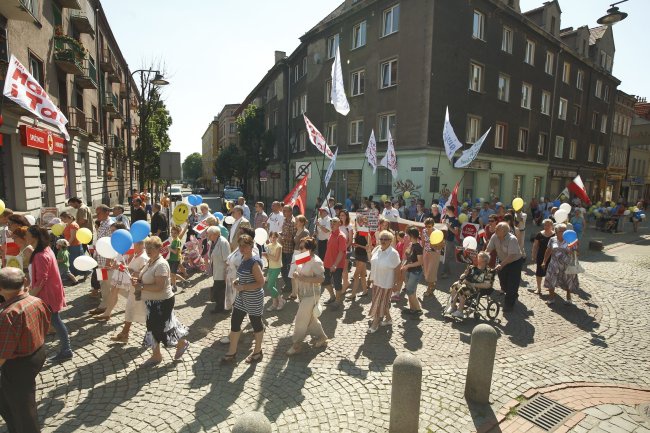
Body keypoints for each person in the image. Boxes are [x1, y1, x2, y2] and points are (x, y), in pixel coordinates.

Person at [0, 268, 51, 433]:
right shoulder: (36, 300)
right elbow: (46, 326)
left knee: (23, 409)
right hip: (37, 352)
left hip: (18, 365)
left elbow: (3, 353)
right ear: (24, 282)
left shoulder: (9, 314)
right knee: (8, 400)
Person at [134, 236, 190, 367]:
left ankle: (181, 344)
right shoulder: (150, 261)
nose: (148, 250)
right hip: (151, 301)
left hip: (162, 302)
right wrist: (137, 280)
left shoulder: (162, 265)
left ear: (159, 249)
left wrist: (141, 286)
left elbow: (159, 287)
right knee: (153, 327)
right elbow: (145, 278)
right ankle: (156, 355)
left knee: (163, 328)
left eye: (151, 248)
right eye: (146, 247)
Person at [25, 225, 72, 362]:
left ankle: (66, 350)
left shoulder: (41, 255)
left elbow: (41, 281)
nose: (26, 237)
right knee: (52, 321)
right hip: (50, 292)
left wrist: (29, 297)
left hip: (48, 294)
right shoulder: (45, 250)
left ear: (34, 237)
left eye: (28, 235)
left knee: (55, 321)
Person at [221, 235, 266, 364]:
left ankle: (257, 351)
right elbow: (244, 275)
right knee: (235, 321)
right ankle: (232, 352)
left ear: (251, 246)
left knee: (256, 323)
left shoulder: (254, 262)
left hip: (253, 297)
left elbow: (261, 282)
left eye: (245, 246)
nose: (242, 248)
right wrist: (238, 281)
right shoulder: (243, 258)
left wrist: (243, 286)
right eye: (240, 245)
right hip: (242, 297)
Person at [287, 237, 329, 355]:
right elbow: (296, 269)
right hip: (302, 293)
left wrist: (304, 278)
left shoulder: (316, 261)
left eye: (301, 248)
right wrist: (296, 274)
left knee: (300, 318)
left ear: (309, 249)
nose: (299, 250)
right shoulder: (302, 257)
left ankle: (296, 344)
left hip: (312, 294)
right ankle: (322, 337)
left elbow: (321, 278)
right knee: (310, 319)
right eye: (299, 247)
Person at [110, 240, 149, 343]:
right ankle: (125, 334)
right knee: (130, 309)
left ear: (141, 245)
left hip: (141, 290)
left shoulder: (143, 258)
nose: (132, 247)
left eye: (134, 244)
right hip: (134, 288)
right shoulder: (137, 255)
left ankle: (152, 335)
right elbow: (132, 269)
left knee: (146, 312)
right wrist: (122, 267)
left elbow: (141, 274)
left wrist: (127, 270)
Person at [485, 222, 524, 312]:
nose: (495, 230)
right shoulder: (494, 236)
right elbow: (488, 249)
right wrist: (483, 257)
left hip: (515, 262)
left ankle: (509, 304)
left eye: (498, 229)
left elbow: (511, 256)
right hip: (503, 260)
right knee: (502, 279)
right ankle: (512, 293)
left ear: (505, 231)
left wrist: (501, 265)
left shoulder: (512, 239)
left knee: (512, 282)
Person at [367, 230, 401, 333]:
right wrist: (370, 277)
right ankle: (389, 319)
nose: (383, 241)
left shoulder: (393, 253)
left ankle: (375, 323)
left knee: (379, 303)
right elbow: (372, 262)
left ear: (390, 241)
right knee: (383, 303)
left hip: (386, 282)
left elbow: (397, 269)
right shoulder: (377, 249)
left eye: (385, 239)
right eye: (381, 239)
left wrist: (396, 284)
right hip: (376, 280)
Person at [446, 252, 495, 318]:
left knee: (462, 289)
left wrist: (472, 284)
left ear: (484, 261)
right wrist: (463, 275)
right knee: (455, 285)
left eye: (478, 258)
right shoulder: (472, 267)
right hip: (466, 284)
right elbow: (463, 275)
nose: (475, 259)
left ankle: (460, 311)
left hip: (477, 288)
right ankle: (453, 307)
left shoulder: (489, 271)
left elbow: (487, 285)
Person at [542, 224, 579, 305]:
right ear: (556, 232)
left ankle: (568, 297)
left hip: (567, 264)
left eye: (564, 230)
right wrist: (544, 261)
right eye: (561, 231)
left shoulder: (571, 240)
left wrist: (572, 251)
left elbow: (577, 252)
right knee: (551, 279)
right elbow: (548, 250)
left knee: (568, 281)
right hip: (554, 263)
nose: (563, 232)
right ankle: (551, 298)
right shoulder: (552, 239)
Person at [322, 217, 347, 309]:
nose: (332, 224)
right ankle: (332, 297)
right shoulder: (331, 234)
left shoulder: (341, 236)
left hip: (337, 265)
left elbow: (341, 252)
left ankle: (337, 301)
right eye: (331, 222)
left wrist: (335, 264)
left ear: (339, 224)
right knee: (325, 281)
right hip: (327, 263)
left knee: (337, 283)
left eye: (334, 222)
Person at [401, 227, 424, 317]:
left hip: (415, 272)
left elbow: (420, 262)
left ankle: (418, 310)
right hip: (409, 271)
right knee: (411, 291)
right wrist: (404, 264)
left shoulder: (418, 247)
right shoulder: (411, 244)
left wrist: (408, 266)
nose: (406, 236)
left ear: (412, 235)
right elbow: (408, 256)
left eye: (407, 234)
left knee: (410, 291)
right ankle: (412, 309)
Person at [529, 219, 555, 295]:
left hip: (551, 256)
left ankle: (549, 286)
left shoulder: (554, 235)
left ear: (552, 226)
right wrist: (533, 255)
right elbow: (535, 246)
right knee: (539, 271)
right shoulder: (539, 234)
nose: (546, 226)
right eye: (545, 225)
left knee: (550, 272)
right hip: (541, 255)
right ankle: (539, 288)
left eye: (548, 225)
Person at [288, 215, 310, 300]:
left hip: (302, 254)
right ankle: (294, 293)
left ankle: (301, 294)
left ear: (302, 222)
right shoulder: (297, 230)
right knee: (292, 274)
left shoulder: (305, 232)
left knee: (299, 274)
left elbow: (307, 246)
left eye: (297, 221)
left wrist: (303, 256)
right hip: (296, 253)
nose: (295, 222)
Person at [348, 215, 369, 300]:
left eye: (360, 221)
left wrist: (358, 245)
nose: (358, 223)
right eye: (357, 221)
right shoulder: (358, 231)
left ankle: (353, 294)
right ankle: (365, 291)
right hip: (357, 254)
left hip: (362, 255)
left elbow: (368, 246)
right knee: (362, 275)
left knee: (356, 275)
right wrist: (355, 244)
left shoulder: (363, 230)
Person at [421, 218, 442, 296]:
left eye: (429, 226)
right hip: (426, 252)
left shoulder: (437, 232)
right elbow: (423, 242)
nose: (427, 228)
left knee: (431, 271)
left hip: (434, 253)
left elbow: (441, 245)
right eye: (426, 226)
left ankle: (429, 290)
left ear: (433, 225)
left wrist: (434, 247)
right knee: (426, 270)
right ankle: (432, 285)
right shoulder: (424, 231)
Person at [59, 211, 84, 278]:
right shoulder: (68, 224)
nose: (61, 220)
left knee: (76, 261)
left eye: (62, 219)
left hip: (75, 245)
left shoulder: (73, 225)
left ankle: (85, 272)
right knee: (72, 261)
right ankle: (73, 275)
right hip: (71, 245)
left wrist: (66, 245)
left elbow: (73, 237)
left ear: (67, 217)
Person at [279, 205, 297, 296]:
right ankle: (287, 284)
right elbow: (284, 233)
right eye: (283, 210)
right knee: (283, 268)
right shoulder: (285, 220)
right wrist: (280, 235)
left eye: (285, 211)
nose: (283, 212)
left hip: (290, 249)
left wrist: (285, 237)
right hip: (283, 248)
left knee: (289, 269)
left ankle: (290, 286)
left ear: (290, 212)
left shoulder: (294, 222)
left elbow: (294, 237)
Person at [264, 232, 284, 311]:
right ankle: (274, 303)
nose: (273, 239)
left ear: (277, 238)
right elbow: (269, 259)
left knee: (269, 286)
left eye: (274, 237)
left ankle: (281, 300)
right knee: (273, 286)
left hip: (276, 267)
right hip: (270, 267)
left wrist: (267, 254)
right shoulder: (268, 246)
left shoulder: (279, 246)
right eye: (271, 237)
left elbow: (276, 259)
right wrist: (265, 255)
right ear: (269, 237)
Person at [440, 205, 460, 278]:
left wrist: (448, 226)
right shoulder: (445, 217)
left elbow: (456, 232)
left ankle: (445, 272)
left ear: (450, 210)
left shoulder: (455, 220)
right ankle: (447, 271)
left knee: (446, 257)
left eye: (446, 210)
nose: (445, 211)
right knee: (444, 256)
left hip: (449, 240)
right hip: (443, 239)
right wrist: (442, 223)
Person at [168, 225, 187, 292]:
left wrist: (169, 248)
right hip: (170, 259)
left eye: (175, 233)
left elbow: (176, 252)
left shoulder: (177, 241)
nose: (173, 234)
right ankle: (176, 285)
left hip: (175, 260)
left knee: (173, 274)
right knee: (172, 274)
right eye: (172, 232)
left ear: (178, 233)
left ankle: (178, 284)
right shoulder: (172, 240)